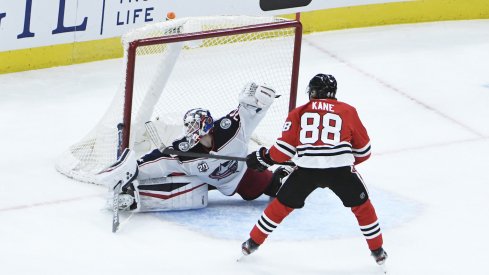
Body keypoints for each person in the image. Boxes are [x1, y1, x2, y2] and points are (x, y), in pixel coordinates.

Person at [241, 74, 388, 266]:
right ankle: (377, 251)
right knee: (363, 207)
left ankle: (252, 243)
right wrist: (342, 161)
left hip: (306, 171)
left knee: (280, 206)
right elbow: (364, 151)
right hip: (340, 171)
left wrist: (264, 158)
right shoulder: (348, 111)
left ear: (313, 92)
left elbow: (283, 151)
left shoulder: (299, 112)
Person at [97, 82, 291, 212]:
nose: (190, 131)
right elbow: (161, 159)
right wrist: (135, 169)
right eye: (189, 127)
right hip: (207, 181)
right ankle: (131, 195)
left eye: (194, 126)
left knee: (271, 187)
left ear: (206, 124)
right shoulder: (185, 151)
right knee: (180, 186)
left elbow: (247, 111)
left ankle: (286, 172)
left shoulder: (229, 128)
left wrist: (261, 102)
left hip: (242, 175)